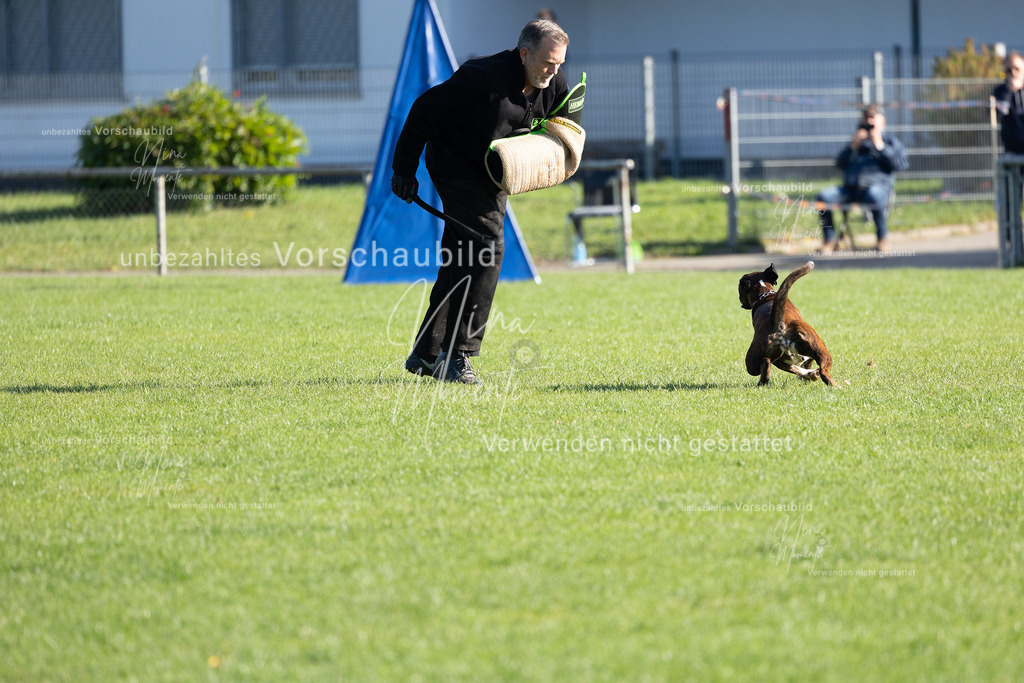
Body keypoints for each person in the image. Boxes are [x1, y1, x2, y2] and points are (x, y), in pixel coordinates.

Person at [391, 20, 570, 385]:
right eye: (548, 63)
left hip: (496, 171)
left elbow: (565, 127)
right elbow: (424, 110)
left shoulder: (555, 83)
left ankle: (428, 352)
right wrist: (403, 171)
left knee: (462, 253)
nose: (553, 72)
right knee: (488, 247)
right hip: (454, 163)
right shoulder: (481, 77)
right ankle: (458, 357)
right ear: (524, 54)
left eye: (559, 64)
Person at [816, 104, 908, 252]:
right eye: (866, 118)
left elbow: (901, 165)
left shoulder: (890, 142)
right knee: (823, 197)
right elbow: (839, 164)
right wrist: (853, 146)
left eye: (873, 118)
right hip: (850, 189)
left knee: (875, 195)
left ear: (882, 121)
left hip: (877, 188)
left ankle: (882, 239)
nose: (869, 122)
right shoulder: (857, 142)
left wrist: (880, 146)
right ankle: (829, 240)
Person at [993, 50, 1024, 155]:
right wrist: (1009, 91)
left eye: (1017, 69)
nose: (1013, 73)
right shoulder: (1000, 91)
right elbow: (996, 115)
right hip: (1012, 150)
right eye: (1009, 70)